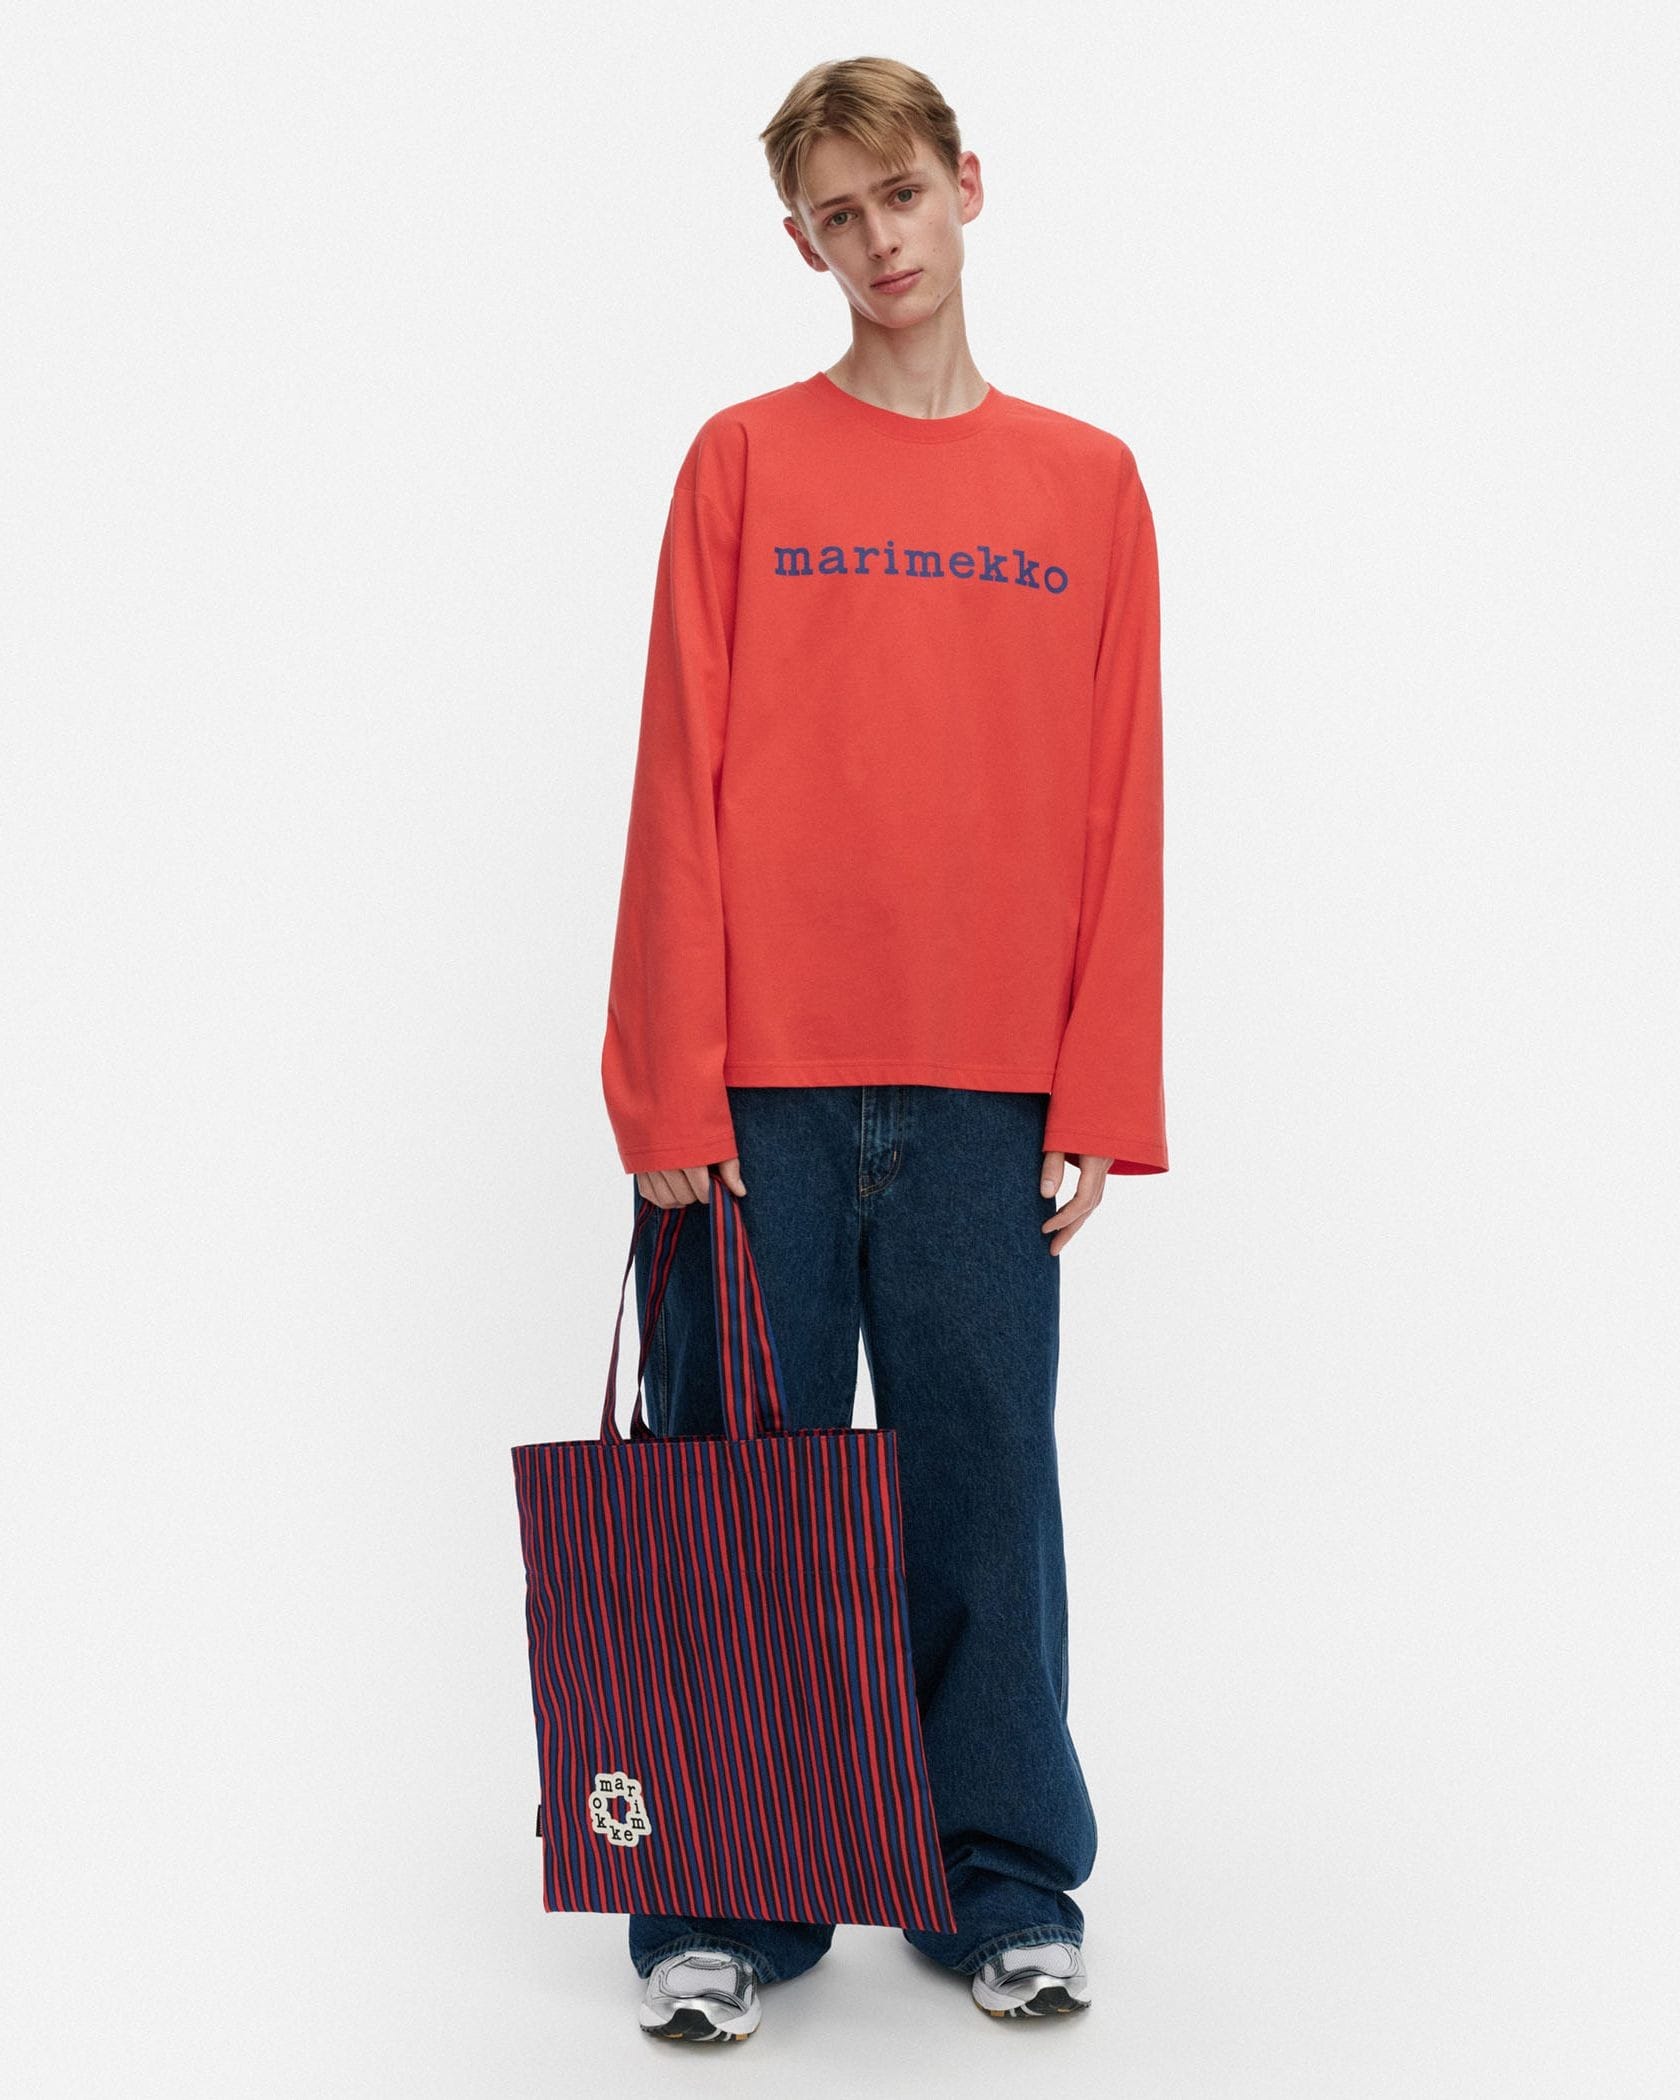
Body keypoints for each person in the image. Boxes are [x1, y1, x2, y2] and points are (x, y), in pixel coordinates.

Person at [599, 54, 1168, 2040]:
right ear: (801, 244)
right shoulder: (744, 463)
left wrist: (1101, 1086)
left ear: (966, 186)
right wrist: (663, 1081)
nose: (880, 240)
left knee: (983, 1477)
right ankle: (727, 1892)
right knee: (737, 1482)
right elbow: (679, 776)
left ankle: (996, 1874)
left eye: (902, 194)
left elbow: (1117, 796)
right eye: (838, 217)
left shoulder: (1086, 485)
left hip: (987, 1082)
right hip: (757, 1086)